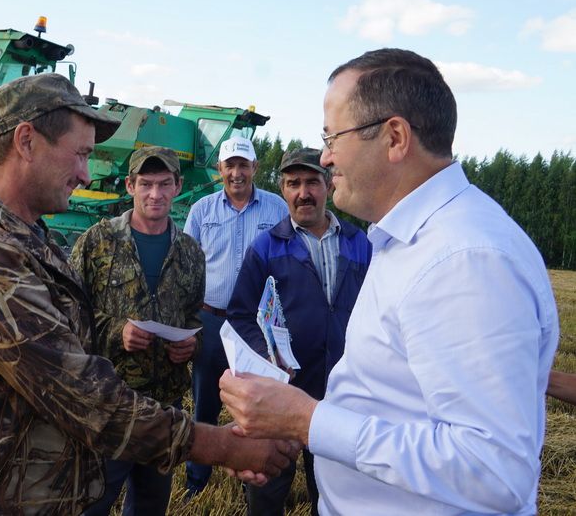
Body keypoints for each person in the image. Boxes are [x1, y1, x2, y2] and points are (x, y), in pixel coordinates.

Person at [0, 73, 298, 515]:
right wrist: (222, 446)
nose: (86, 173)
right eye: (81, 154)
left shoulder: (25, 240)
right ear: (27, 142)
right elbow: (84, 396)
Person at [219, 49, 560, 515]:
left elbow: (494, 470)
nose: (326, 156)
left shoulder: (465, 259)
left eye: (332, 136)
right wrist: (298, 423)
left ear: (395, 137)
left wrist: (309, 421)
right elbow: (390, 395)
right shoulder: (405, 240)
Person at [227, 147, 371, 515]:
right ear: (283, 189)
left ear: (327, 185)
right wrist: (270, 359)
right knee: (268, 490)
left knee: (330, 491)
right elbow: (241, 315)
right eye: (293, 183)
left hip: (341, 394)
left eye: (311, 182)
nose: (302, 192)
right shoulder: (266, 247)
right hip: (281, 394)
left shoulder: (360, 244)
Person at [69, 145, 205, 516]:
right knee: (92, 502)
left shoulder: (191, 252)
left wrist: (191, 343)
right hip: (108, 400)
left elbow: (194, 314)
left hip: (164, 405)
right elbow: (68, 314)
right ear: (130, 185)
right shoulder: (97, 242)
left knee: (150, 503)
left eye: (164, 184)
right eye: (146, 184)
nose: (155, 194)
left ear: (178, 186)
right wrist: (117, 332)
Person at [183, 136, 288, 495]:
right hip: (211, 321)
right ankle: (197, 483)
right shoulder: (201, 211)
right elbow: (187, 266)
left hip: (259, 328)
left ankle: (253, 482)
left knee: (257, 406)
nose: (237, 173)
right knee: (205, 404)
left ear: (256, 168)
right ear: (220, 169)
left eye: (244, 165)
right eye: (230, 166)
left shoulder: (276, 209)